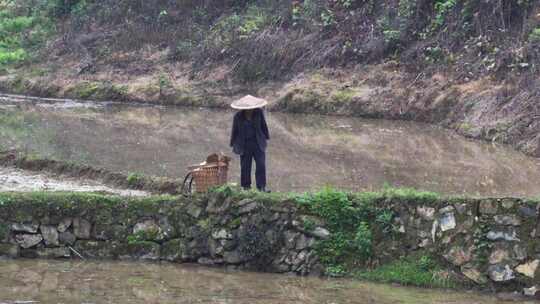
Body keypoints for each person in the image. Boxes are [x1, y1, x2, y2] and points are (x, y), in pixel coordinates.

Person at [230, 95, 270, 192]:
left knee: (261, 165)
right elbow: (234, 131)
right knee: (245, 166)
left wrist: (266, 137)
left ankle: (261, 187)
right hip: (244, 144)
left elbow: (263, 126)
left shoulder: (259, 113)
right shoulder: (238, 116)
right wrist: (233, 144)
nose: (250, 109)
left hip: (258, 143)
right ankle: (246, 187)